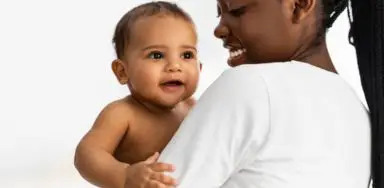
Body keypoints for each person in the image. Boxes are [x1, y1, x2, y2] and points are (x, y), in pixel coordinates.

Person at [158, 0, 384, 187]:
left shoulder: (250, 85)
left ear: (298, 5)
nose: (219, 29)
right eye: (220, 13)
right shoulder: (359, 114)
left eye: (237, 11)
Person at [74, 2, 201, 188]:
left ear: (201, 66)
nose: (175, 66)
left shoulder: (194, 108)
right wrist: (125, 176)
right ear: (122, 71)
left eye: (187, 55)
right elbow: (87, 154)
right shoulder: (122, 114)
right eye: (156, 55)